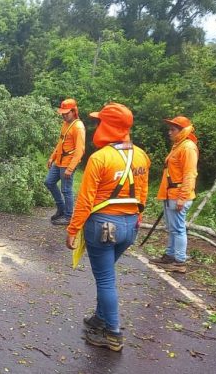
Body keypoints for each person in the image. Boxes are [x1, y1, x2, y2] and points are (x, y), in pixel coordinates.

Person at [65, 102, 150, 352]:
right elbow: (142, 194)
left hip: (103, 226)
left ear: (109, 126)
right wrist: (137, 219)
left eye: (100, 122)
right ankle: (99, 319)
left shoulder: (100, 158)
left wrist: (72, 230)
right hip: (129, 227)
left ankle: (112, 333)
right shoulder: (142, 155)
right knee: (107, 276)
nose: (97, 126)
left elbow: (85, 200)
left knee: (105, 280)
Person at [150, 116, 198, 273]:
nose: (169, 132)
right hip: (171, 194)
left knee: (178, 229)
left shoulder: (187, 147)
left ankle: (179, 261)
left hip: (178, 195)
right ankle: (170, 256)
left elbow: (190, 174)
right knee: (172, 228)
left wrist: (182, 198)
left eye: (173, 129)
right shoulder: (178, 145)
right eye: (169, 129)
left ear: (182, 131)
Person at [46, 98, 86, 225]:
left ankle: (69, 217)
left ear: (74, 111)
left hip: (68, 163)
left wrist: (70, 168)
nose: (64, 115)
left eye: (66, 113)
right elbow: (60, 142)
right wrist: (52, 157)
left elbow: (80, 151)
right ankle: (61, 209)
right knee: (49, 182)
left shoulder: (78, 127)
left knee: (66, 190)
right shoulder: (65, 124)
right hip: (59, 161)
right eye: (62, 113)